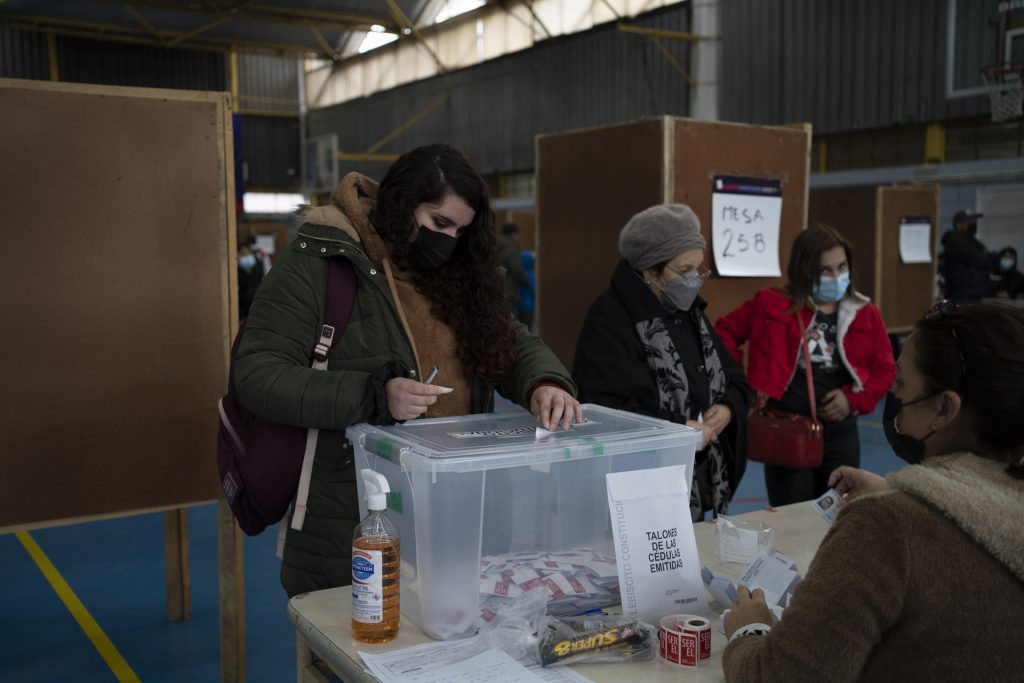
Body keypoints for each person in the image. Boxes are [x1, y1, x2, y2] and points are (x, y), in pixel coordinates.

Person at [233, 144, 581, 597]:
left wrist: (544, 382)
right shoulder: (321, 263)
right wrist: (373, 395)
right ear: (402, 203)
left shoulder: (455, 274)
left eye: (460, 230)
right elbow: (257, 374)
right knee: (356, 649)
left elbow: (508, 341)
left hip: (452, 512)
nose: (449, 240)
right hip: (351, 517)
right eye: (439, 223)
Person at [722, 302, 1024, 682]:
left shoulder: (883, 529)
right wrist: (898, 493)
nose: (892, 396)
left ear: (945, 409)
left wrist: (750, 631)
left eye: (901, 383)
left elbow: (782, 676)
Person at [573, 204, 753, 521]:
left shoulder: (691, 313)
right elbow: (600, 410)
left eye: (698, 270)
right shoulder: (610, 320)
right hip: (638, 489)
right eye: (684, 271)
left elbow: (735, 379)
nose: (694, 280)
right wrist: (674, 428)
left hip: (693, 483)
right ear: (648, 271)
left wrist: (726, 409)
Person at [715, 225, 895, 506]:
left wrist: (852, 400)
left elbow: (885, 369)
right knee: (792, 517)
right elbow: (724, 333)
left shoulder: (865, 312)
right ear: (805, 270)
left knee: (840, 514)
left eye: (842, 267)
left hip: (841, 431)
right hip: (787, 429)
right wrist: (746, 383)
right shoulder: (771, 304)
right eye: (825, 270)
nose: (836, 276)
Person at [941, 210, 991, 303]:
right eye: (970, 221)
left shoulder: (971, 241)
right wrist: (987, 257)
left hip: (972, 295)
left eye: (974, 221)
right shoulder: (955, 240)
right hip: (961, 296)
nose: (973, 224)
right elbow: (979, 259)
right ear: (958, 224)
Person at [497, 222, 530, 313]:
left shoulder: (493, 244)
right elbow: (517, 269)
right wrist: (526, 281)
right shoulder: (510, 248)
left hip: (493, 287)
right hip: (507, 289)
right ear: (513, 234)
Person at [236, 243, 264, 320]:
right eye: (242, 254)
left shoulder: (258, 268)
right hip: (243, 314)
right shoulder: (235, 274)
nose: (246, 256)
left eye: (248, 253)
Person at [518, 248, 536, 330]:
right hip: (529, 307)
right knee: (527, 330)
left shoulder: (519, 275)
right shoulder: (531, 275)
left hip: (519, 306)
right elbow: (534, 292)